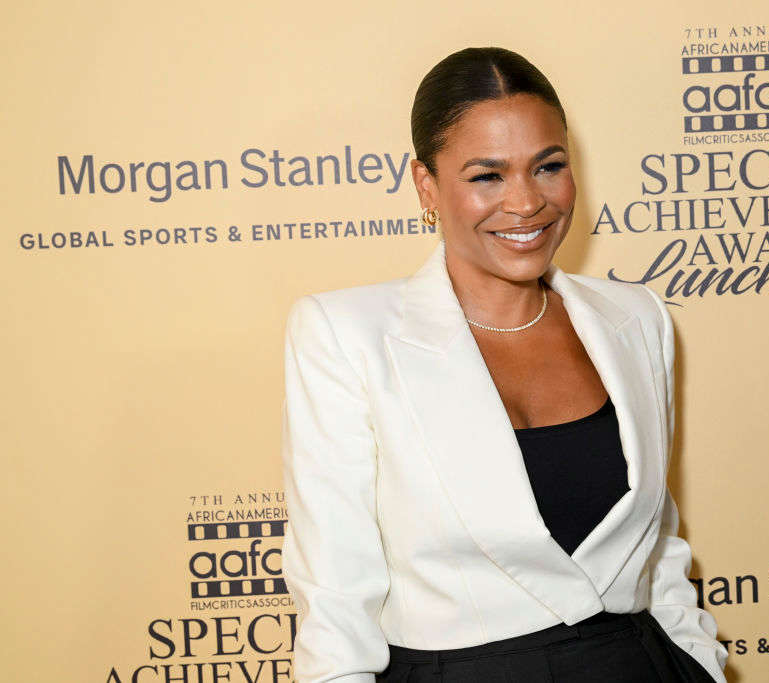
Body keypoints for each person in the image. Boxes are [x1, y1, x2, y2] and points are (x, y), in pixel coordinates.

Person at [280, 46, 729, 683]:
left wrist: (698, 664)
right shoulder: (346, 335)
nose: (525, 203)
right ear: (427, 185)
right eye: (487, 176)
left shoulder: (636, 319)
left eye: (548, 167)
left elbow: (658, 553)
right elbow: (334, 598)